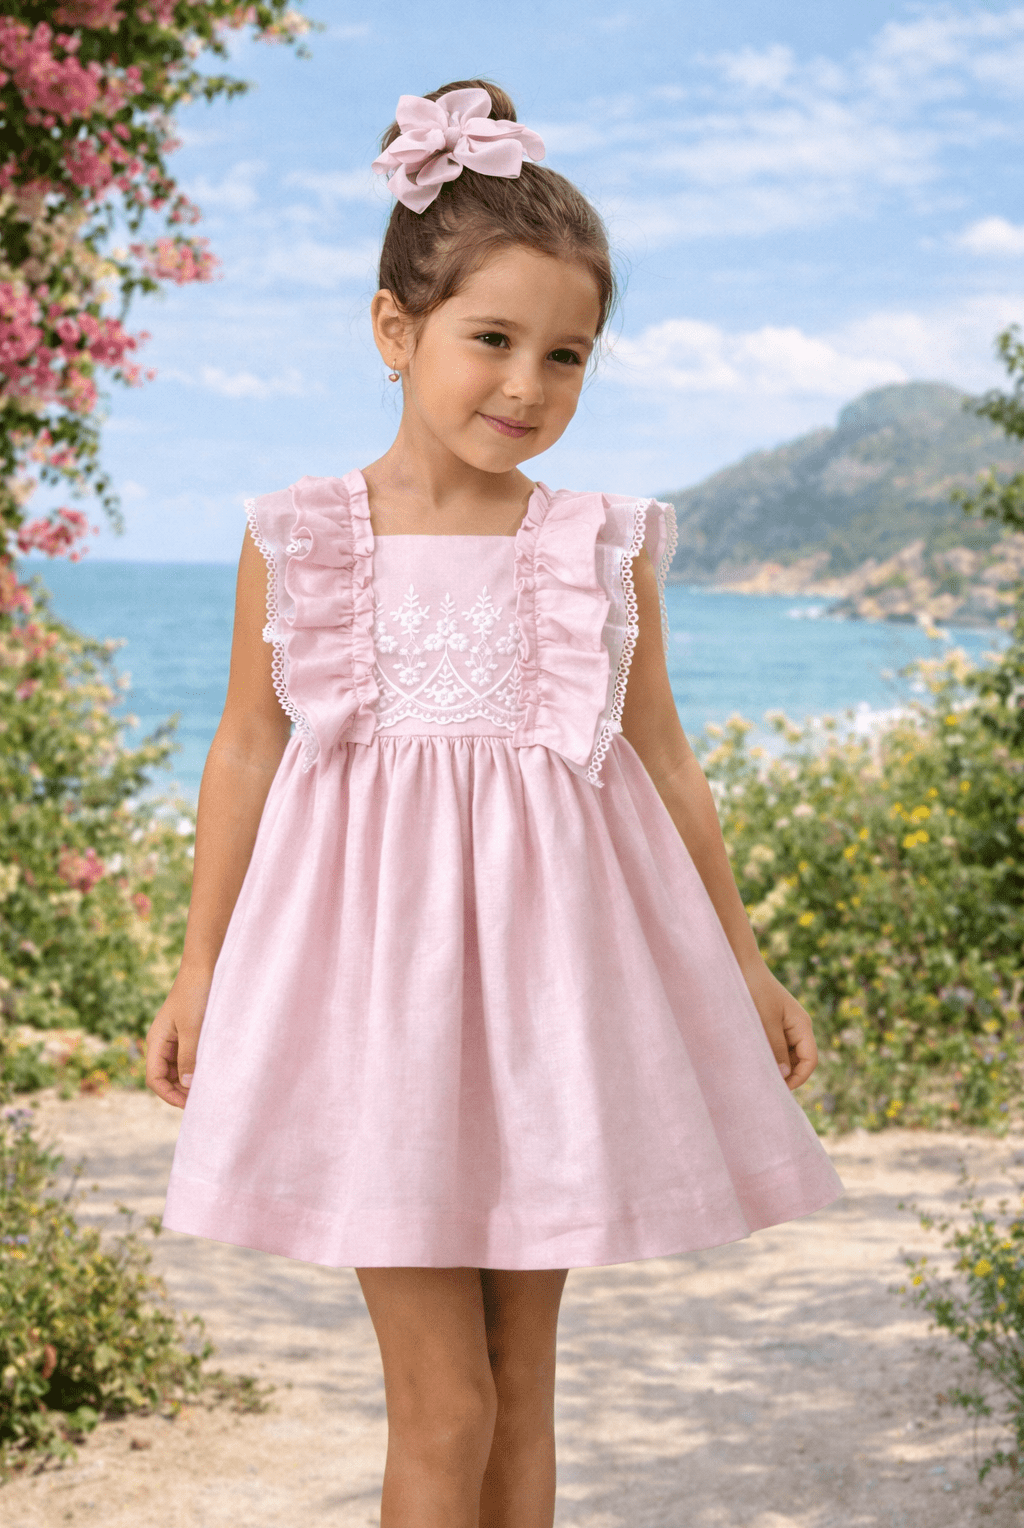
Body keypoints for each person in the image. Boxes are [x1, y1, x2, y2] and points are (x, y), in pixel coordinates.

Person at [147, 79, 842, 1528]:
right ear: (395, 332)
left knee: (524, 1383)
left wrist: (747, 960)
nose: (528, 384)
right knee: (445, 1399)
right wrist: (200, 965)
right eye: (492, 340)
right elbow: (245, 753)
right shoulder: (303, 539)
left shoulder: (598, 548)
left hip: (548, 1015)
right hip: (365, 1014)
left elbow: (660, 765)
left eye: (568, 355)